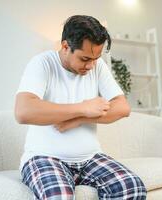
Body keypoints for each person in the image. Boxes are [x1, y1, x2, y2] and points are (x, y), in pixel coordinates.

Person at [14, 15, 147, 200]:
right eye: (85, 58)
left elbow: (123, 107)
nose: (91, 65)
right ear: (66, 46)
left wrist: (79, 118)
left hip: (90, 158)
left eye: (96, 58)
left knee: (131, 187)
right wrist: (83, 108)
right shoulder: (42, 63)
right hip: (44, 157)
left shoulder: (97, 66)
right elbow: (23, 111)